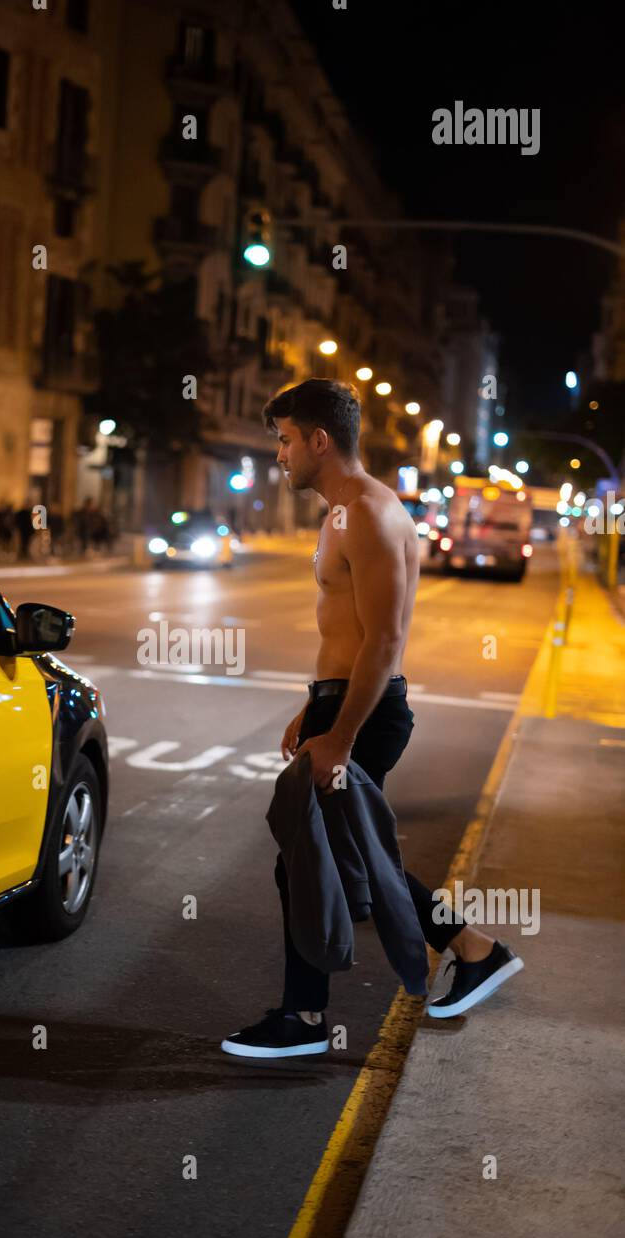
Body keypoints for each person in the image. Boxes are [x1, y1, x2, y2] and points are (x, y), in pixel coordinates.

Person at [222, 379, 524, 1059]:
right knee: (332, 856)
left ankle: (307, 1018)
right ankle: (468, 950)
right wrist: (314, 705)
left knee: (318, 858)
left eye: (286, 439)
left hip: (367, 712)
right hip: (343, 703)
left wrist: (342, 734)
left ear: (318, 441)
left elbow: (385, 639)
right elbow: (350, 631)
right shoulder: (345, 512)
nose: (280, 454)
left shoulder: (368, 512)